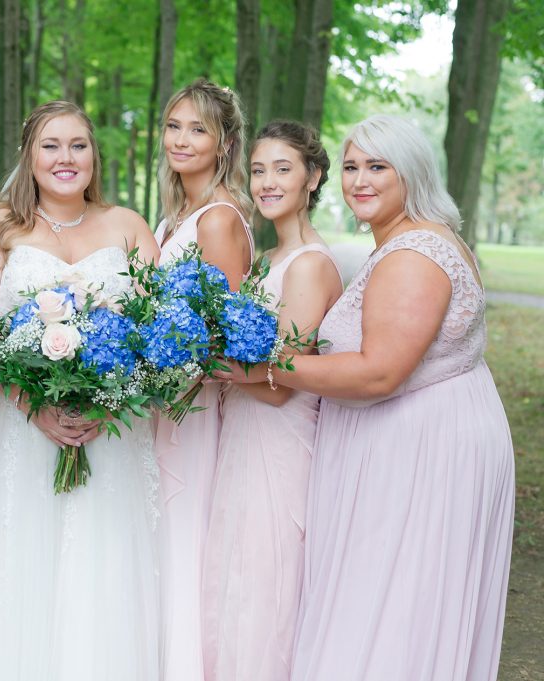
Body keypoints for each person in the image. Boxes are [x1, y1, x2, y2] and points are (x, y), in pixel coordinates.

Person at [221, 114, 514, 681]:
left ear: (413, 174)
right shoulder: (402, 244)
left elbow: (380, 374)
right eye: (353, 166)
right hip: (414, 439)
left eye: (378, 166)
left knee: (399, 609)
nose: (361, 179)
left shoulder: (414, 255)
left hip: (424, 449)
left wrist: (263, 365)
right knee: (395, 604)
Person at [0, 101, 162, 680]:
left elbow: (154, 331)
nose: (66, 158)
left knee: (103, 570)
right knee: (22, 573)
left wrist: (108, 397)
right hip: (20, 430)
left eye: (78, 145)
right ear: (28, 155)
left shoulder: (128, 225)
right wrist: (33, 404)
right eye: (51, 145)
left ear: (95, 154)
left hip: (108, 430)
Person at [200, 120, 342, 681]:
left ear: (313, 178)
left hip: (276, 444)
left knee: (264, 586)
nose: (266, 182)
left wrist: (210, 366)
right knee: (234, 583)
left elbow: (284, 382)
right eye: (258, 171)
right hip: (244, 433)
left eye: (283, 169)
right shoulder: (268, 261)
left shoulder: (308, 264)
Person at [150, 77, 254, 681]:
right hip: (159, 405)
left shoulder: (217, 219)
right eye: (173, 126)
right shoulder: (173, 220)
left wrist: (172, 375)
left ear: (224, 142)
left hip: (192, 407)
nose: (181, 140)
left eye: (198, 129)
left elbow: (229, 337)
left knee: (184, 533)